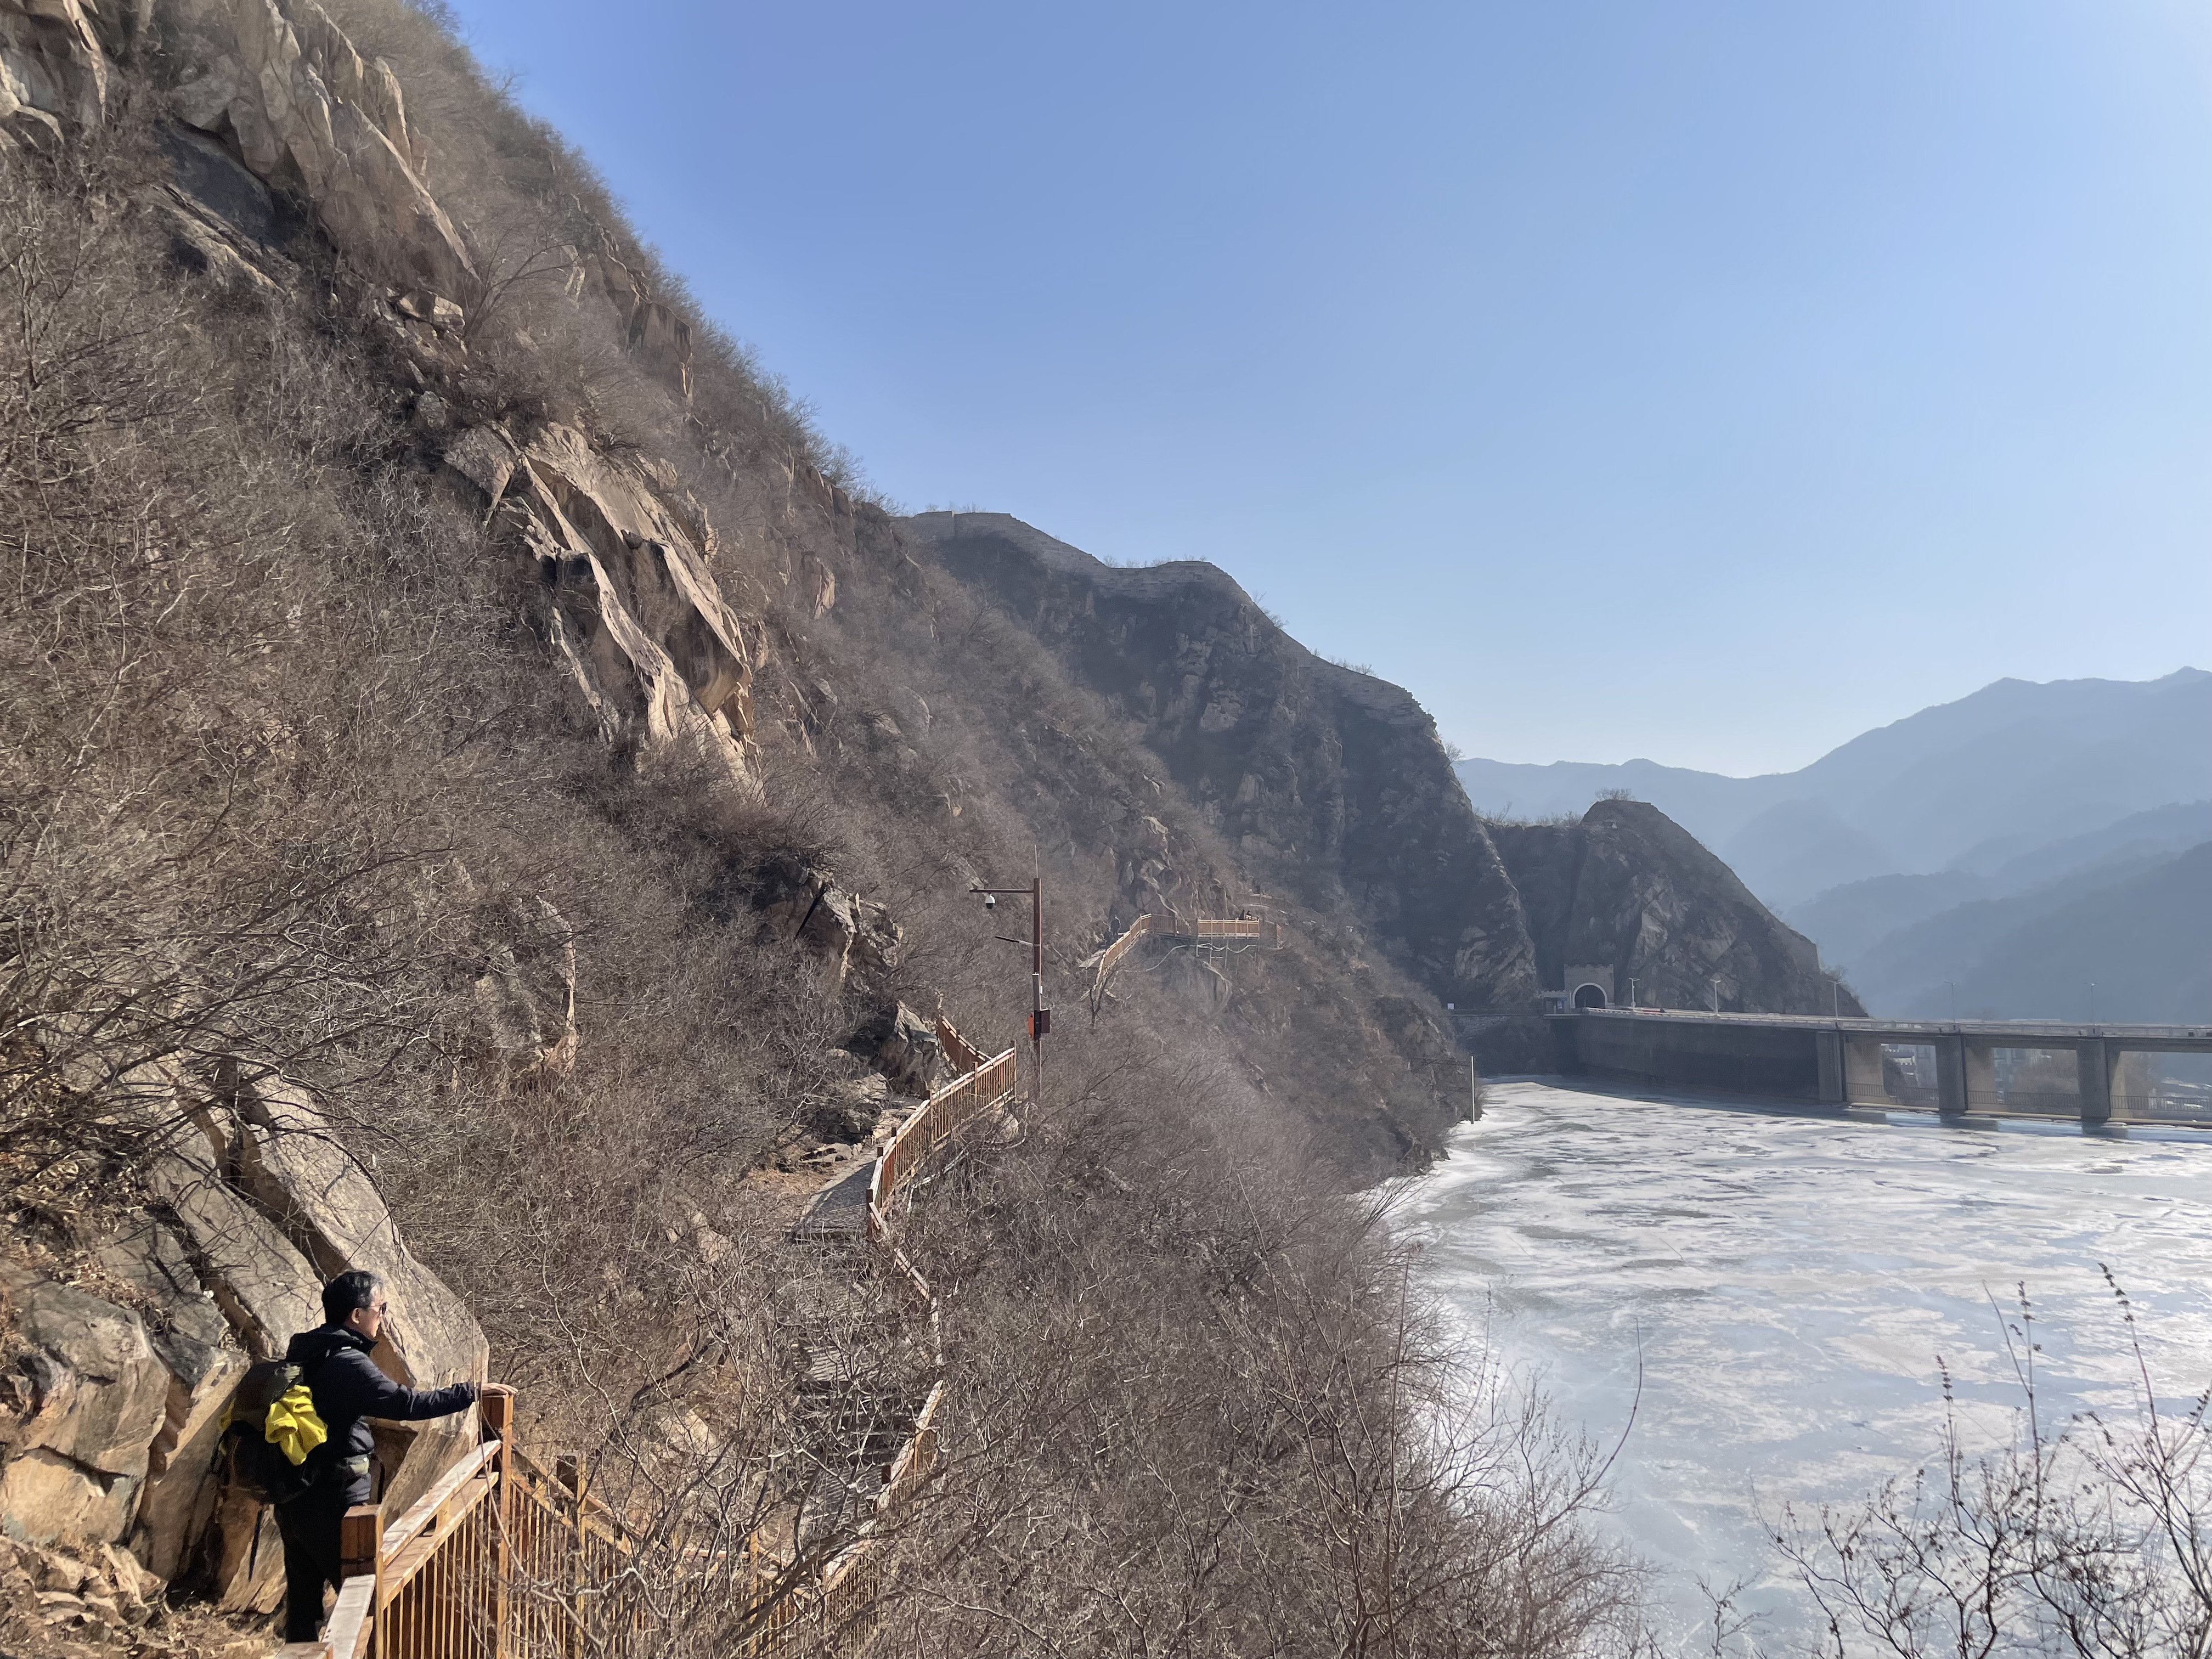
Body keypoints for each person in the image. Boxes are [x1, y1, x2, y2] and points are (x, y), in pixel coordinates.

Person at [274, 1269, 496, 1642]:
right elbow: (407, 1404)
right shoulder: (347, 1363)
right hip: (334, 1503)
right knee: (368, 1610)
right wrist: (470, 1392)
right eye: (380, 1308)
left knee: (304, 1613)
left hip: (295, 1498)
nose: (383, 1317)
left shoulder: (310, 1352)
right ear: (357, 1315)